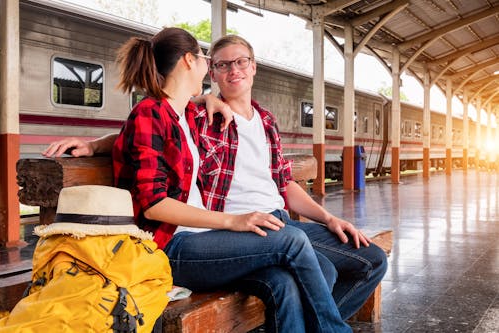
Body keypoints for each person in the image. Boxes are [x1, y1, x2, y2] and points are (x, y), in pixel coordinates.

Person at [43, 32, 387, 332]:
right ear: (192, 61)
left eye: (240, 62)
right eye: (217, 63)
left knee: (300, 276)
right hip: (183, 241)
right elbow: (145, 158)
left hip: (227, 232)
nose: (224, 70)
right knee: (297, 248)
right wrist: (93, 146)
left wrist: (327, 217)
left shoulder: (199, 113)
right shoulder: (184, 115)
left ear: (254, 67)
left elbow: (144, 134)